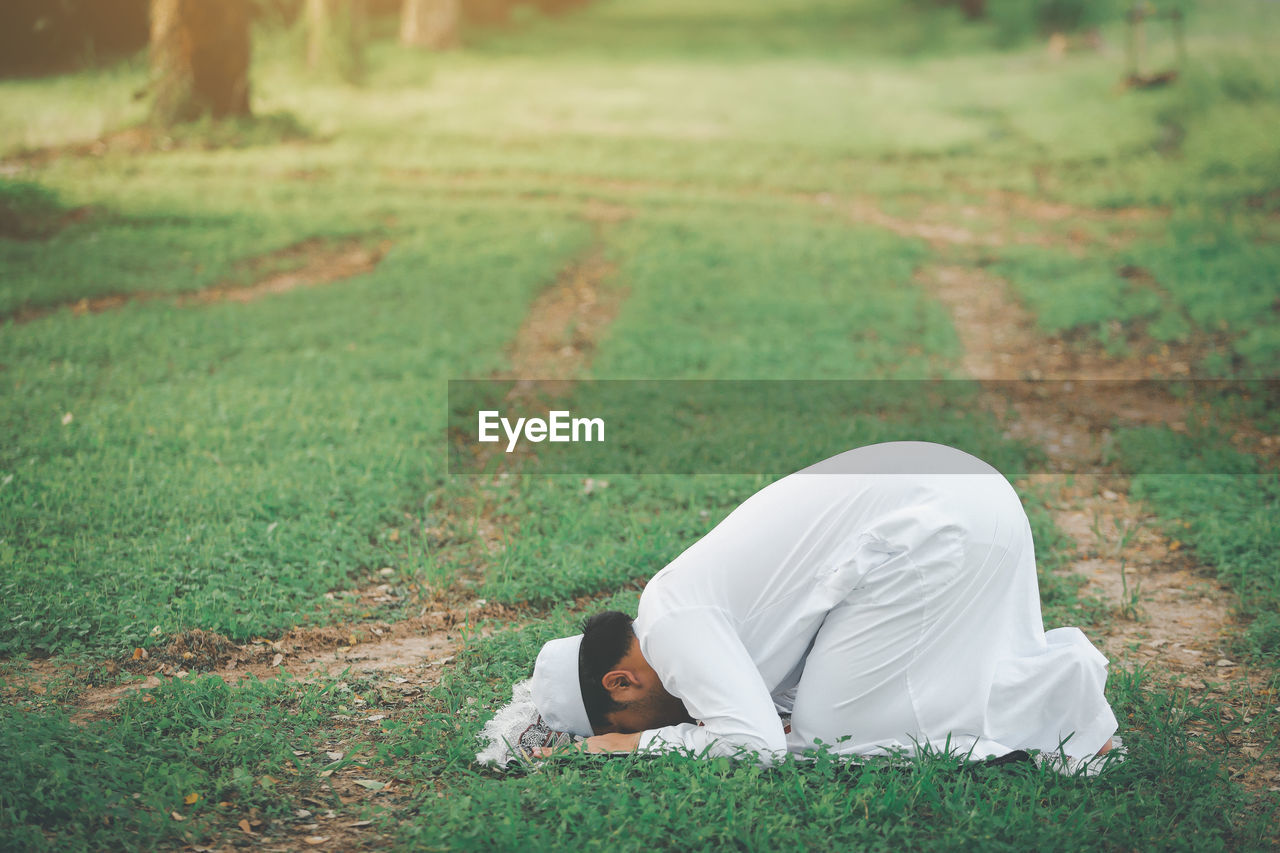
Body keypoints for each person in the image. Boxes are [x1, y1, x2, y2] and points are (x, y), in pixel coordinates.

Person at [529, 441, 1118, 764]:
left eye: (624, 720)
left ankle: (1058, 711)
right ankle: (1059, 698)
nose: (640, 725)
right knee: (901, 688)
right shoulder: (678, 604)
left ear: (621, 684)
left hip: (935, 523)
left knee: (829, 738)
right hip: (972, 491)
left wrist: (639, 742)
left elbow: (757, 746)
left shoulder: (671, 626)